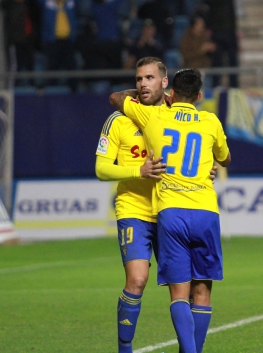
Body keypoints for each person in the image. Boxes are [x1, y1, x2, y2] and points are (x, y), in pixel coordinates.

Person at [96, 57, 217, 352]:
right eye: (138, 79)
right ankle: (125, 348)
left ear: (165, 83)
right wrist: (138, 171)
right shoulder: (119, 119)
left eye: (149, 78)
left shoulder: (174, 116)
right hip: (134, 209)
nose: (141, 84)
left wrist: (206, 169)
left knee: (184, 290)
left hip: (170, 210)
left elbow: (197, 150)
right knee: (137, 280)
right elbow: (101, 169)